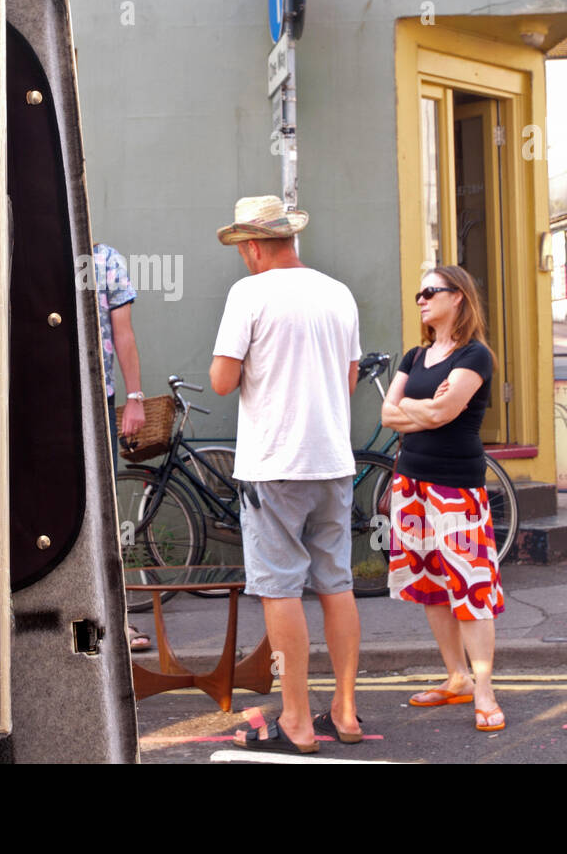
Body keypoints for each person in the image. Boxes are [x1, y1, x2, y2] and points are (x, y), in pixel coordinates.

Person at [211, 196, 362, 754]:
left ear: (252, 246)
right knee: (336, 584)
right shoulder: (338, 292)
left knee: (280, 590)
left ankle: (296, 718)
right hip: (333, 461)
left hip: (274, 463)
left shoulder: (248, 293)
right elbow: (347, 381)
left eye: (242, 250)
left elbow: (222, 381)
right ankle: (345, 710)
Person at [382, 264, 506, 733]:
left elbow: (445, 410)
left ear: (458, 297)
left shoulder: (475, 356)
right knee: (433, 586)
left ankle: (485, 690)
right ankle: (457, 678)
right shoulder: (414, 356)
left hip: (456, 487)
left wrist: (419, 409)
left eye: (430, 291)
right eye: (418, 292)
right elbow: (387, 414)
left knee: (470, 591)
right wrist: (423, 409)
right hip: (410, 482)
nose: (421, 299)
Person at [93, 242, 148, 650]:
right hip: (45, 401)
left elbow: (123, 331)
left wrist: (135, 398)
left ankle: (116, 621)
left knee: (103, 514)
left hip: (98, 398)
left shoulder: (106, 259)